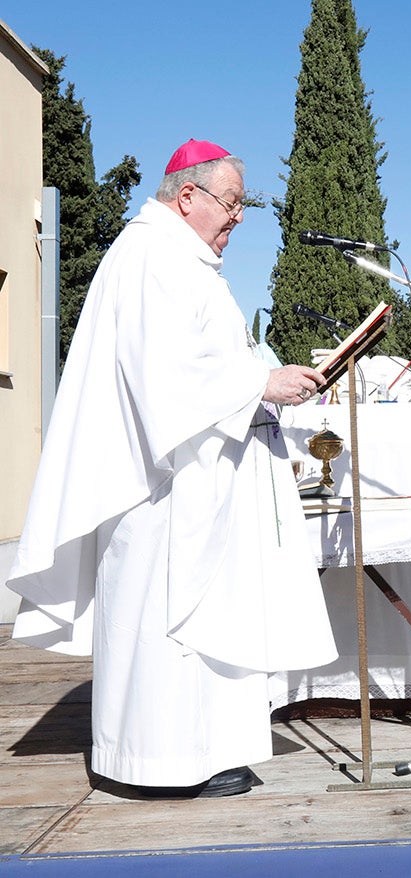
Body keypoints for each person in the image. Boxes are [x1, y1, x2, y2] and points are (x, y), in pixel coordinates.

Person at [5, 139, 336, 798]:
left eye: (242, 205)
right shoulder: (153, 256)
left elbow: (206, 361)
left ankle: (204, 753)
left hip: (196, 478)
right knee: (168, 624)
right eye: (231, 203)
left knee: (199, 623)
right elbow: (166, 377)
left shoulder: (176, 257)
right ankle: (154, 765)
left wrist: (261, 381)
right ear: (188, 197)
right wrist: (262, 385)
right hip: (163, 490)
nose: (238, 217)